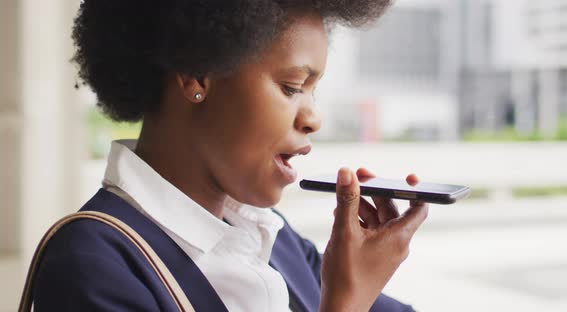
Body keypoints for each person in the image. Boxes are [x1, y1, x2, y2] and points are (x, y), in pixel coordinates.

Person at [32, 0, 428, 311]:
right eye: (291, 87)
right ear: (197, 76)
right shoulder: (91, 265)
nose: (313, 118)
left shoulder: (273, 239)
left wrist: (363, 276)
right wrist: (347, 304)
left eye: (313, 90)